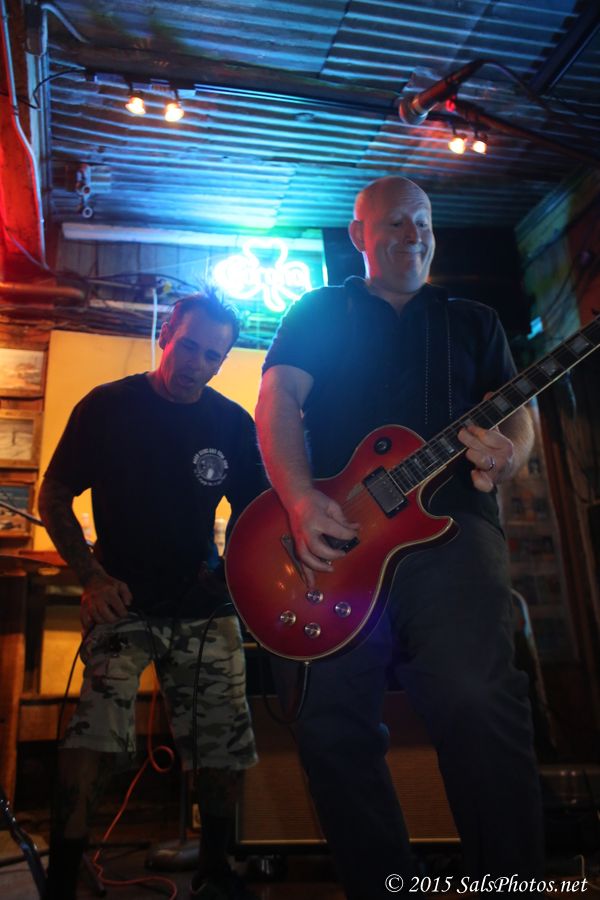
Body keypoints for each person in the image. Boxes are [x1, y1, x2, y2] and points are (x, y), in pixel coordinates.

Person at [254, 176, 545, 899]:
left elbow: (517, 410)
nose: (412, 235)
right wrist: (299, 500)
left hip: (452, 531)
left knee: (476, 697)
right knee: (329, 725)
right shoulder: (318, 311)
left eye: (423, 223)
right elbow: (278, 398)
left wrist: (509, 454)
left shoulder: (473, 319)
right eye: (394, 223)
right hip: (339, 541)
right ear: (359, 234)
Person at [39, 290, 264, 900]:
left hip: (203, 606)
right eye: (189, 347)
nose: (197, 364)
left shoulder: (231, 423)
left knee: (223, 740)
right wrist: (91, 577)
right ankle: (63, 877)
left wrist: (230, 576)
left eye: (213, 356)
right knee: (93, 733)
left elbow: (259, 514)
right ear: (166, 335)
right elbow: (54, 494)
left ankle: (216, 870)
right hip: (123, 601)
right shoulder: (107, 406)